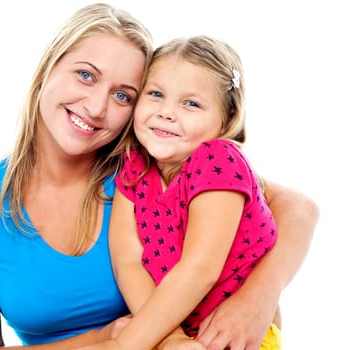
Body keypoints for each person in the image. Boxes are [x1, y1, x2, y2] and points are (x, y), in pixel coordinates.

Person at [0, 3, 319, 350]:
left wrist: (260, 295)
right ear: (48, 67)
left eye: (123, 96)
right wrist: (107, 339)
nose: (98, 106)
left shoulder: (149, 163)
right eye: (85, 75)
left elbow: (297, 208)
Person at [73, 35, 288, 350]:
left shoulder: (218, 160)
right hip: (169, 334)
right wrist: (170, 339)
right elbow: (128, 262)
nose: (166, 112)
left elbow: (200, 269)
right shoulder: (134, 168)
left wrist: (124, 346)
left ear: (225, 119)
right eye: (156, 94)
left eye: (191, 103)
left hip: (233, 338)